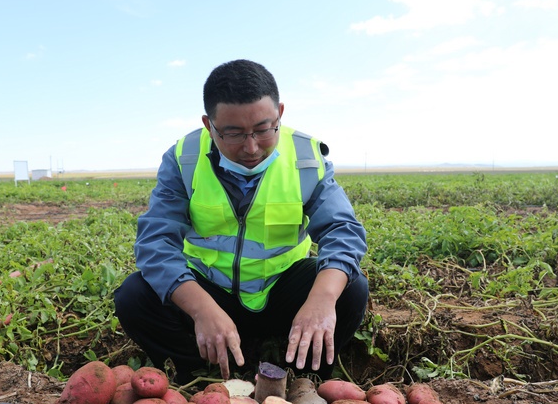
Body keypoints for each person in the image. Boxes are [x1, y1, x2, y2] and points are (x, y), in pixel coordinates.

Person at [113, 59, 368, 383]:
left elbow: (342, 230)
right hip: (211, 292)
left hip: (280, 291)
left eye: (263, 129)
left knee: (351, 288)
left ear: (280, 114)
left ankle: (304, 383)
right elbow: (155, 242)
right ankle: (200, 375)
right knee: (135, 296)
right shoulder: (184, 158)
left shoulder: (306, 158)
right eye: (233, 133)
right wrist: (202, 309)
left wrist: (322, 299)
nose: (251, 147)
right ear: (209, 125)